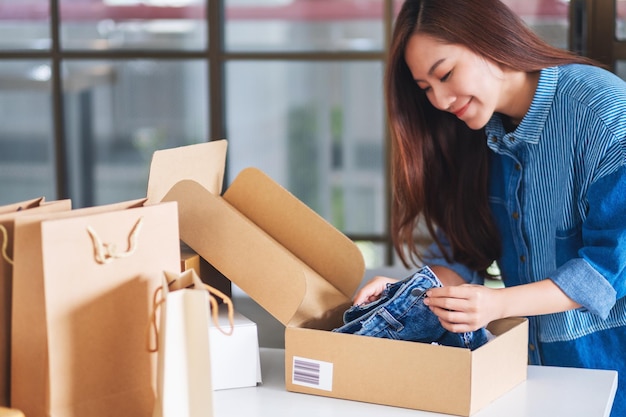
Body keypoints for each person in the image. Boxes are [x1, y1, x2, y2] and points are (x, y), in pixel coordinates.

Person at [353, 0, 626, 415]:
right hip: (535, 380)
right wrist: (405, 295)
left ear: (489, 38)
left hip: (611, 378)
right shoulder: (473, 135)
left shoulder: (602, 112)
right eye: (426, 88)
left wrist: (498, 304)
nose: (441, 99)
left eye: (444, 74)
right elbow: (459, 257)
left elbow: (612, 266)